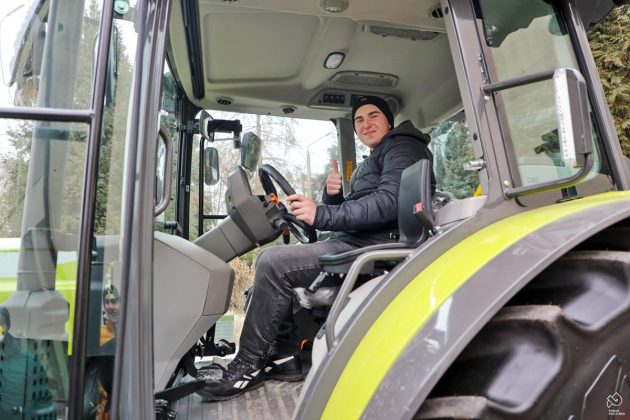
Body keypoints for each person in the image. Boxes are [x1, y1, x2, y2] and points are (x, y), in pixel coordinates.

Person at [198, 96, 434, 401]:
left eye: (374, 115)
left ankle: (246, 368)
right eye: (359, 120)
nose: (366, 124)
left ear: (389, 121)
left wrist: (321, 213)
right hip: (356, 240)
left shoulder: (402, 147)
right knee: (274, 262)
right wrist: (332, 196)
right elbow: (361, 208)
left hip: (373, 248)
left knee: (272, 263)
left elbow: (389, 203)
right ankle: (284, 357)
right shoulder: (378, 155)